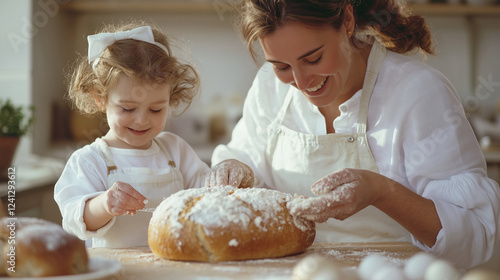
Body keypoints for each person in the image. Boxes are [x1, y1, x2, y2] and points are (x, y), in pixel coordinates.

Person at [207, 0, 500, 268]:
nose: (301, 82)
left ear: (347, 21)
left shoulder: (419, 93)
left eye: (313, 58)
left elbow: (473, 236)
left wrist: (380, 191)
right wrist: (236, 167)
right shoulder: (269, 88)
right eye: (282, 66)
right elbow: (247, 154)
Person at [54, 22, 242, 248]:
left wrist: (224, 174)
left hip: (173, 266)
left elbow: (208, 192)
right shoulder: (90, 160)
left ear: (170, 99)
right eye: (128, 109)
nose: (142, 120)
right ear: (100, 97)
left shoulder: (175, 149)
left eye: (156, 109)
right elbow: (75, 218)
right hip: (118, 272)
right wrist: (104, 204)